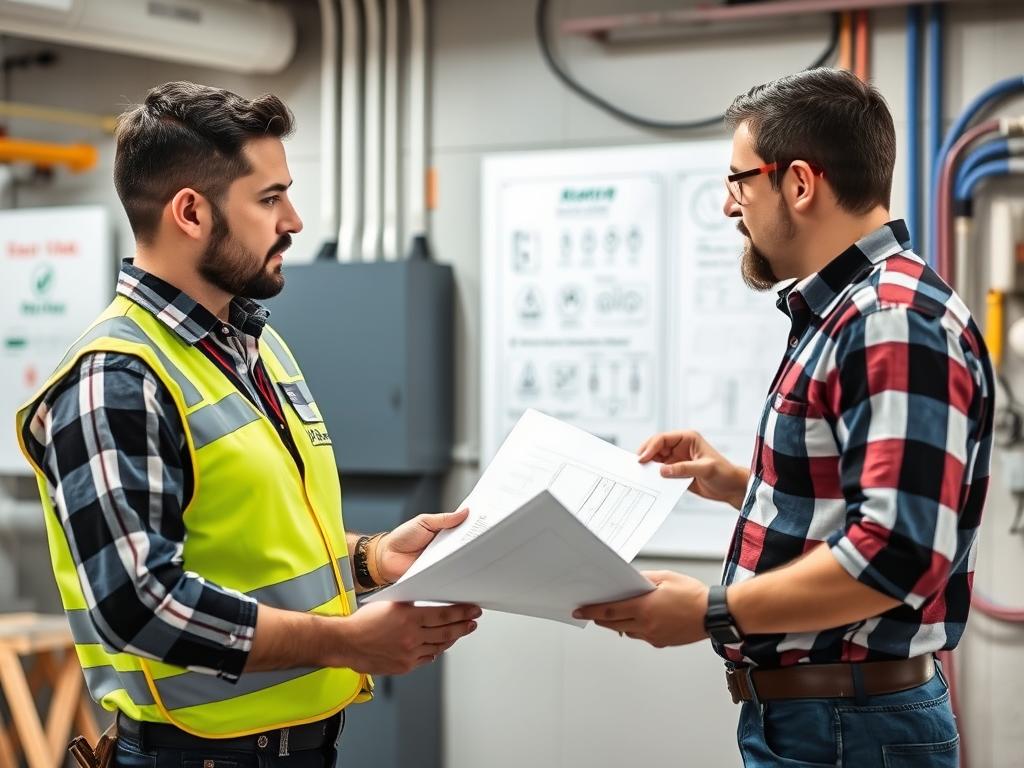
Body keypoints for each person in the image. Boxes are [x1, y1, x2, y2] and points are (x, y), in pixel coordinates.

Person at [15, 81, 479, 767]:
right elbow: (140, 605)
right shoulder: (117, 378)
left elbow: (259, 538)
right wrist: (346, 641)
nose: (293, 219)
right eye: (269, 198)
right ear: (192, 213)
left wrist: (371, 558)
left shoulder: (255, 345)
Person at [575, 67, 993, 767]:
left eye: (739, 181)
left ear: (798, 183)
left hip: (848, 727)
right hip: (827, 718)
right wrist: (741, 483)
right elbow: (867, 504)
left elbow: (896, 554)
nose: (729, 206)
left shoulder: (889, 319)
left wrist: (709, 611)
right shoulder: (852, 310)